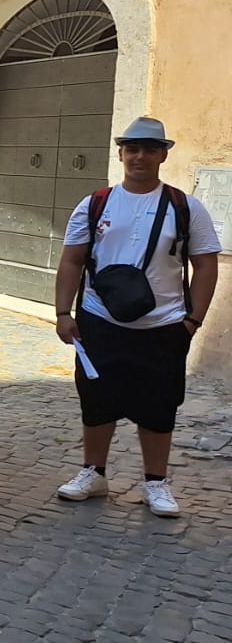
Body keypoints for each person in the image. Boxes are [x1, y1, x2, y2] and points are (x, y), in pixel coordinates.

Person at [53, 117, 219, 518]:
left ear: (163, 155)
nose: (140, 156)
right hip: (99, 320)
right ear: (121, 153)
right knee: (96, 400)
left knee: (158, 406)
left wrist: (192, 322)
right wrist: (62, 312)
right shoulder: (95, 203)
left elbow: (206, 265)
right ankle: (93, 473)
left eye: (149, 148)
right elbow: (72, 260)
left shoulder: (184, 207)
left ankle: (155, 481)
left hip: (162, 325)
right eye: (133, 148)